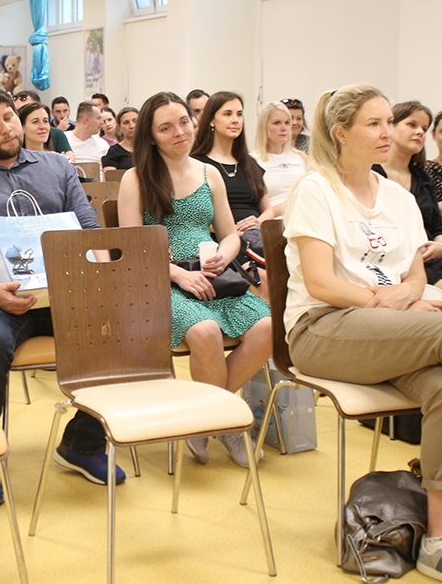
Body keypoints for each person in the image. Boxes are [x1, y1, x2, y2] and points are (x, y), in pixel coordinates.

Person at [284, 84, 442, 584]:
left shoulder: (399, 197)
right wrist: (381, 299)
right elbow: (321, 283)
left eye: (389, 121)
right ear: (341, 133)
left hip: (385, 328)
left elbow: (414, 276)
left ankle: (439, 542)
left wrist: (402, 296)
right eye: (374, 123)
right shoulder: (316, 189)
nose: (387, 132)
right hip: (321, 328)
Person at [0, 81, 124, 506]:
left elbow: (89, 229)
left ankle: (83, 443)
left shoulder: (56, 167)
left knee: (117, 327)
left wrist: (98, 282)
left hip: (65, 291)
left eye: (8, 118)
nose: (6, 128)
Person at [118, 91, 272, 467]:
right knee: (205, 331)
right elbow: (132, 246)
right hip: (160, 280)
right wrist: (179, 276)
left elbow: (230, 234)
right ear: (151, 136)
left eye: (184, 122)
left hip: (214, 276)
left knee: (269, 327)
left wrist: (225, 254)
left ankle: (206, 416)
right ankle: (226, 422)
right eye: (166, 128)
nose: (180, 132)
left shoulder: (208, 173)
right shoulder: (135, 178)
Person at [373, 101, 442, 309]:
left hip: (429, 252)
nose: (419, 132)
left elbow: (436, 227)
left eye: (424, 129)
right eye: (412, 125)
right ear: (391, 127)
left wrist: (441, 244)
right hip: (397, 256)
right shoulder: (372, 174)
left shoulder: (423, 178)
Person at [191, 92, 273, 298]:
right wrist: (229, 230)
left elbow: (268, 209)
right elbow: (194, 215)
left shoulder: (249, 163)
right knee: (264, 281)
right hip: (221, 241)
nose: (235, 120)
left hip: (257, 238)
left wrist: (258, 222)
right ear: (211, 120)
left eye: (239, 114)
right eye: (227, 114)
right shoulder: (197, 164)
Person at [252, 101, 306, 218]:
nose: (283, 128)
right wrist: (287, 207)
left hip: (304, 218)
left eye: (287, 123)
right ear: (264, 126)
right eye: (277, 123)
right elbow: (254, 207)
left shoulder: (301, 157)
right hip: (273, 222)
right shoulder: (253, 161)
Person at [102, 106, 138, 173]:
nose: (132, 126)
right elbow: (109, 178)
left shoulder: (150, 148)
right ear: (119, 127)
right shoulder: (114, 151)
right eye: (126, 122)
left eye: (135, 121)